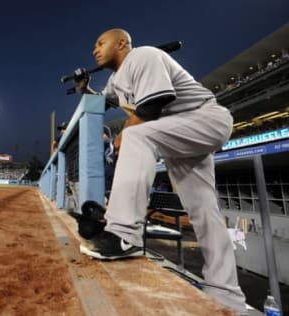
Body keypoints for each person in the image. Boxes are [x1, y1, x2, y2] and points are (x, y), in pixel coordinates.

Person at [74, 28, 247, 314]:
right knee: (203, 211)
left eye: (100, 43)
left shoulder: (144, 55)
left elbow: (154, 105)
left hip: (203, 119)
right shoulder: (116, 79)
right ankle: (226, 294)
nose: (95, 49)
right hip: (177, 134)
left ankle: (124, 234)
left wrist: (122, 136)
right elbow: (103, 103)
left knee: (134, 136)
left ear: (122, 43)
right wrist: (85, 89)